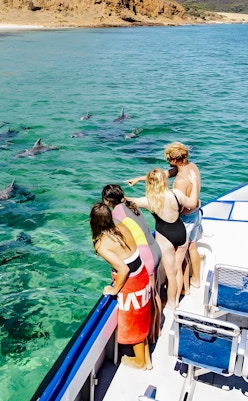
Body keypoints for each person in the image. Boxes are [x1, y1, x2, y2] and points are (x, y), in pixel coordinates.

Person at [126, 142, 202, 294]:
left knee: (177, 262)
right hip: (196, 213)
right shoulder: (190, 167)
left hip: (186, 219)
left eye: (168, 159)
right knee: (192, 247)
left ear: (174, 160)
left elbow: (177, 207)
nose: (167, 161)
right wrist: (140, 179)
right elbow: (165, 174)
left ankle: (179, 292)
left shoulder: (180, 181)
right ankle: (195, 280)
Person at [90, 202, 152, 370]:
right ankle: (147, 359)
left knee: (133, 323)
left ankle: (140, 362)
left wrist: (114, 289)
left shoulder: (101, 244)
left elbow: (123, 269)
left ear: (92, 222)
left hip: (131, 282)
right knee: (142, 317)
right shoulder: (121, 225)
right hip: (142, 273)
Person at [102, 184, 162, 343]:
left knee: (149, 297)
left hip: (146, 256)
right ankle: (156, 331)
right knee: (154, 293)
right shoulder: (131, 205)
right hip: (155, 249)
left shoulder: (116, 214)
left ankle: (151, 336)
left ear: (108, 201)